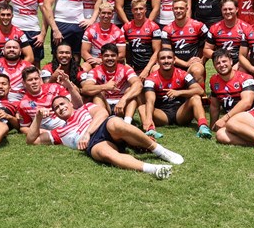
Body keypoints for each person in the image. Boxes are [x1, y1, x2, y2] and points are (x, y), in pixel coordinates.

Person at [25, 96, 184, 180]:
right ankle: (153, 169)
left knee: (116, 123)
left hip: (102, 127)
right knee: (104, 153)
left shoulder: (85, 108)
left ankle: (161, 151)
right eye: (56, 108)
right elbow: (32, 140)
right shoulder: (59, 131)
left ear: (71, 104)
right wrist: (38, 118)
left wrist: (87, 133)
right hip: (95, 143)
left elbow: (102, 114)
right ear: (55, 114)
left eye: (62, 104)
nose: (60, 108)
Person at [143, 48, 211, 138]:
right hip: (162, 115)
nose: (166, 61)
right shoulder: (151, 78)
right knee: (142, 107)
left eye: (169, 58)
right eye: (163, 58)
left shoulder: (183, 74)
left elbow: (200, 91)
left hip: (181, 113)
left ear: (174, 60)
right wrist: (148, 118)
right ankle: (150, 130)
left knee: (196, 98)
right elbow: (150, 100)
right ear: (158, 61)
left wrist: (179, 92)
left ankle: (203, 127)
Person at [80, 43, 143, 124]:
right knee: (97, 94)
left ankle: (127, 122)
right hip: (105, 104)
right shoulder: (94, 71)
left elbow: (139, 85)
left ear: (117, 57)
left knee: (131, 91)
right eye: (106, 55)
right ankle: (102, 121)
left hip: (122, 106)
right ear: (101, 57)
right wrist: (105, 87)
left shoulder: (126, 69)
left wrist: (123, 100)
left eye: (113, 55)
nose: (110, 58)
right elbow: (85, 89)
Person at [5, 0, 48, 66]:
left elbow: (46, 14)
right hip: (14, 30)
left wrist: (42, 35)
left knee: (35, 63)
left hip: (33, 31)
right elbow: (2, 9)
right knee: (12, 61)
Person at [17, 66, 84, 132]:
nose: (34, 82)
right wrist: (42, 132)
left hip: (73, 122)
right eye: (30, 80)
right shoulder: (23, 104)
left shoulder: (55, 87)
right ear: (24, 83)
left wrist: (69, 85)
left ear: (40, 79)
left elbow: (78, 105)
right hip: (54, 132)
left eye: (36, 79)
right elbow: (24, 127)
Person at [161, 0, 208, 87]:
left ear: (187, 9)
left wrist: (202, 60)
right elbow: (168, 54)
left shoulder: (198, 26)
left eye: (181, 8)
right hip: (174, 65)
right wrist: (185, 63)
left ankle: (202, 98)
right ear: (172, 9)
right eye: (176, 8)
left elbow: (209, 45)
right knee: (156, 69)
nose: (178, 11)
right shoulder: (166, 30)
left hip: (193, 66)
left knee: (197, 70)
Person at [122, 0, 162, 80]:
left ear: (145, 10)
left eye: (141, 9)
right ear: (132, 11)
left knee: (157, 69)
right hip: (133, 67)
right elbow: (119, 48)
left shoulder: (154, 27)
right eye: (136, 9)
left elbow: (157, 51)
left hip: (150, 66)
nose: (138, 12)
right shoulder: (126, 27)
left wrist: (147, 69)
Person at [203, 0, 249, 67]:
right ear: (221, 10)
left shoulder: (246, 28)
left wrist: (239, 64)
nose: (227, 12)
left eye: (230, 9)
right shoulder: (214, 28)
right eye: (225, 9)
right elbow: (206, 50)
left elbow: (250, 52)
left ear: (237, 9)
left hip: (240, 64)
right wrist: (220, 57)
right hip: (222, 65)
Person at [81, 1, 126, 67]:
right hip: (94, 61)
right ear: (99, 14)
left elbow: (121, 55)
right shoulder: (90, 30)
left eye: (109, 13)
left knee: (127, 68)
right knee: (84, 67)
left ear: (112, 15)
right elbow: (84, 52)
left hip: (112, 62)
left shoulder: (118, 32)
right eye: (103, 13)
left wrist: (102, 61)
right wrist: (95, 62)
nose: (106, 16)